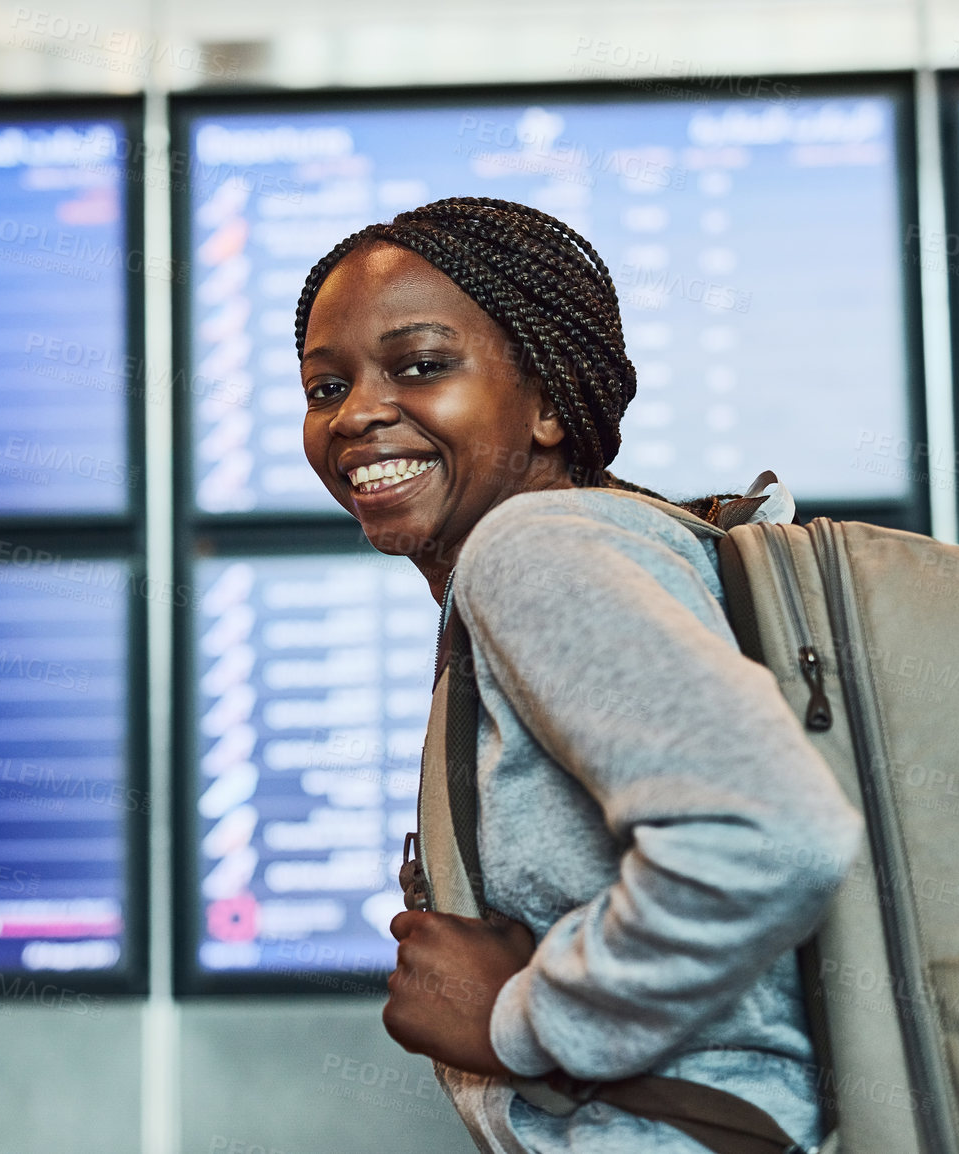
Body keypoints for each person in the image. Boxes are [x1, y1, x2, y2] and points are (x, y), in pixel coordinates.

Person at [294, 197, 863, 1153]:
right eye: (324, 387)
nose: (357, 414)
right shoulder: (623, 543)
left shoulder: (537, 544)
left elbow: (772, 834)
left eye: (423, 366)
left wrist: (521, 1020)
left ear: (551, 402)